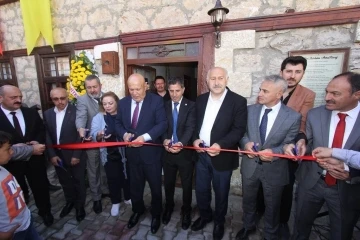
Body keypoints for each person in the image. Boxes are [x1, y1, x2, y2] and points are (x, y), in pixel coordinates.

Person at [288, 72, 360, 240]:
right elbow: (309, 143)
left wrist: (351, 171)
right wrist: (299, 146)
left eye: (335, 94)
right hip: (311, 182)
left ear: (357, 95)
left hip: (348, 188)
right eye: (327, 91)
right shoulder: (315, 114)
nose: (327, 97)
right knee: (300, 226)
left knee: (341, 232)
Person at [256, 56, 316, 236]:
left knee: (286, 186)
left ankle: (281, 221)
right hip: (265, 143)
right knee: (260, 182)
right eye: (289, 71)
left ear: (303, 74)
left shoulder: (307, 95)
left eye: (298, 72)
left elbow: (303, 122)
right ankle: (261, 212)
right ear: (282, 72)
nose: (292, 75)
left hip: (287, 146)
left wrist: (300, 140)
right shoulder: (268, 87)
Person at [237, 75, 301, 240]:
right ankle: (248, 225)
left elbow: (289, 143)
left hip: (275, 169)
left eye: (265, 91)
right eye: (260, 89)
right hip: (250, 166)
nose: (260, 93)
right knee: (248, 201)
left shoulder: (293, 117)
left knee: (273, 205)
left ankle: (270, 234)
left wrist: (274, 151)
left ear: (279, 94)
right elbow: (242, 133)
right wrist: (245, 144)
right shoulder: (250, 110)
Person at [191, 67, 247, 240]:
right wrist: (194, 140)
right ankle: (205, 215)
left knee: (221, 192)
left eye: (220, 78)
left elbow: (238, 130)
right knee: (201, 190)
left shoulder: (238, 101)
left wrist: (220, 144)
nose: (216, 82)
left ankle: (219, 221)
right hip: (201, 155)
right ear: (207, 81)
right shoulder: (200, 100)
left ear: (227, 80)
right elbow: (193, 124)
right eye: (213, 78)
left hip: (222, 156)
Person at [116, 73, 167, 234]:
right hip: (132, 155)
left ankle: (156, 214)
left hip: (151, 153)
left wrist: (144, 138)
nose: (135, 92)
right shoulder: (123, 103)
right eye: (131, 89)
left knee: (155, 187)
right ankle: (137, 210)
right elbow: (117, 123)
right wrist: (124, 134)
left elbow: (162, 124)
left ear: (146, 86)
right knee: (135, 186)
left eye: (138, 89)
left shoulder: (156, 101)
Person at [0, 85, 53, 226]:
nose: (18, 100)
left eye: (20, 97)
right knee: (18, 191)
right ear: (1, 98)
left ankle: (45, 212)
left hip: (35, 161)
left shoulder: (30, 112)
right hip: (11, 164)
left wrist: (38, 141)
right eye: (13, 98)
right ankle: (21, 215)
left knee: (41, 187)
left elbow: (41, 130)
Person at [43, 88, 86, 222]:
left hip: (75, 154)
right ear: (52, 100)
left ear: (67, 97)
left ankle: (80, 206)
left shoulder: (77, 111)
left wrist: (76, 155)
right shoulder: (47, 114)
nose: (60, 102)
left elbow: (82, 134)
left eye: (63, 98)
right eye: (56, 99)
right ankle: (70, 201)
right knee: (65, 181)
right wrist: (51, 154)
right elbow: (47, 135)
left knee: (79, 181)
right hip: (57, 155)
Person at [161, 77, 195, 230]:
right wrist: (164, 140)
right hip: (167, 152)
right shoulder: (164, 105)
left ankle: (186, 211)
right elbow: (161, 126)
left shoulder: (191, 106)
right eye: (171, 91)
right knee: (168, 183)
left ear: (183, 90)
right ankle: (168, 207)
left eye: (177, 91)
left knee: (187, 185)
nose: (174, 94)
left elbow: (190, 128)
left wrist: (181, 143)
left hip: (184, 153)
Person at [91, 91, 131, 217]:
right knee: (113, 178)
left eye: (110, 103)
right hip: (109, 154)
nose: (108, 106)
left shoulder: (124, 114)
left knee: (128, 176)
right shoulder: (99, 117)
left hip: (126, 153)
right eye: (105, 104)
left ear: (116, 103)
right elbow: (93, 134)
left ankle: (128, 197)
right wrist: (99, 134)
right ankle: (115, 201)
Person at [0, 131, 43, 240]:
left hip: (25, 221)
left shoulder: (3, 168)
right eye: (8, 149)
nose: (11, 152)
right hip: (11, 233)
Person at [75, 75, 108, 214]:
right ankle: (96, 198)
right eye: (89, 87)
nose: (92, 90)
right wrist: (80, 128)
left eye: (94, 86)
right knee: (93, 170)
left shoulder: (108, 96)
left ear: (100, 85)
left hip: (108, 141)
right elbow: (81, 116)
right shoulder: (82, 100)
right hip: (91, 141)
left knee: (106, 167)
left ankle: (106, 190)